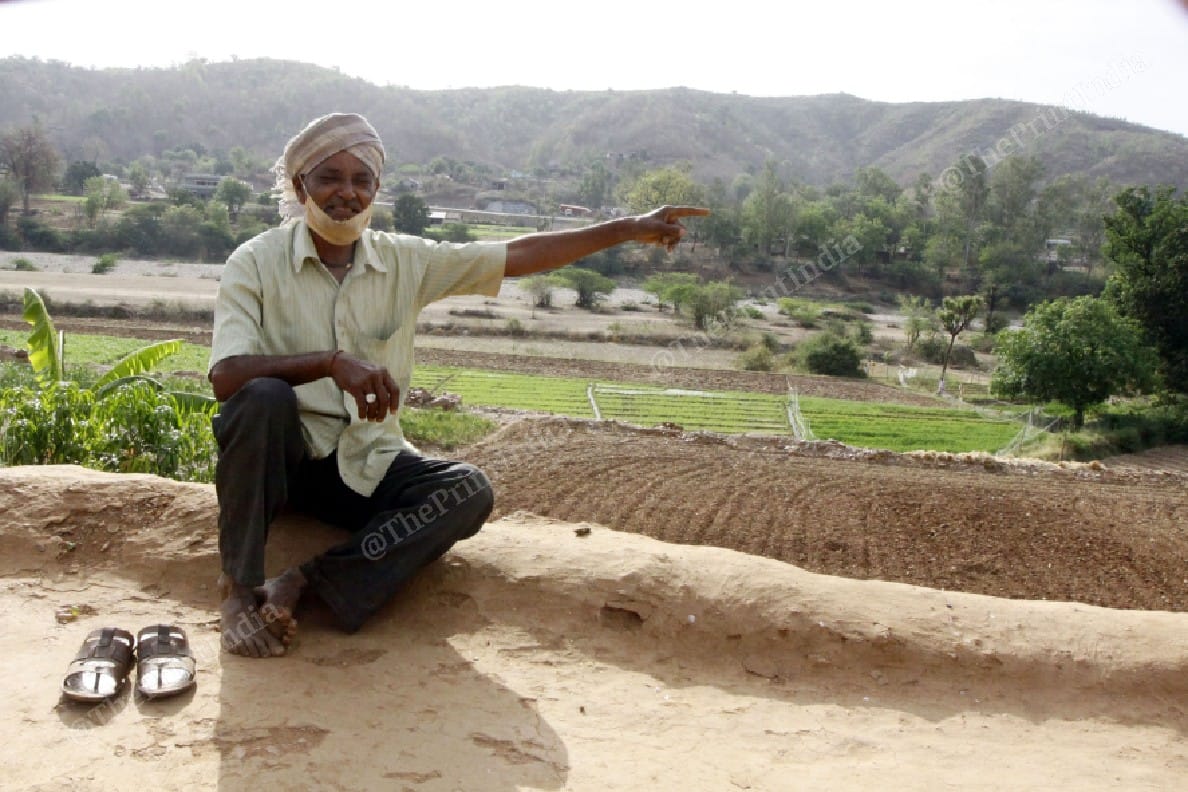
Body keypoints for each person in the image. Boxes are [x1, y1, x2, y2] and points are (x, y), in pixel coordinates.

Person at [209, 112, 707, 658]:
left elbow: (516, 255)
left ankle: (304, 582)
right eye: (330, 177)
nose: (346, 193)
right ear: (301, 184)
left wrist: (628, 227)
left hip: (364, 463)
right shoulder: (254, 262)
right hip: (283, 464)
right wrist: (330, 362)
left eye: (362, 180)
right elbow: (226, 377)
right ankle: (239, 592)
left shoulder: (406, 261)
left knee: (465, 489)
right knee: (261, 395)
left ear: (376, 189)